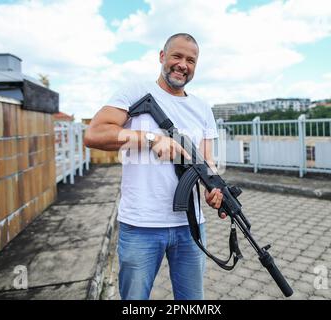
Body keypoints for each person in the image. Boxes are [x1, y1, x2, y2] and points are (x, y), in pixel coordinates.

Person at [84, 33, 226, 300]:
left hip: (190, 226)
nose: (183, 64)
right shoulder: (135, 92)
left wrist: (214, 191)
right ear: (162, 57)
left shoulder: (203, 109)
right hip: (140, 225)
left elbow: (208, 163)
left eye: (191, 60)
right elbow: (94, 134)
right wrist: (149, 139)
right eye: (177, 56)